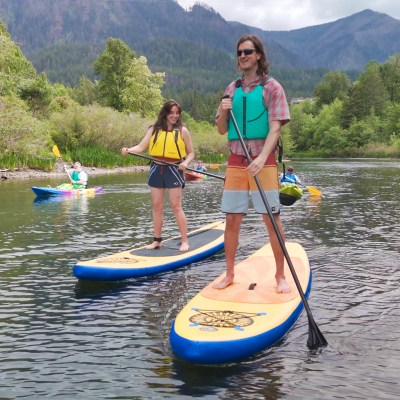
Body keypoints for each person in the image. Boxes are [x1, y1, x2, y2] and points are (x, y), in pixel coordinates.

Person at [213, 34, 291, 293]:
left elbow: (276, 128)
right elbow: (222, 129)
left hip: (264, 160)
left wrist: (260, 158)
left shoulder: (272, 88)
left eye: (247, 51)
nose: (243, 56)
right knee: (232, 219)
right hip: (236, 160)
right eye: (239, 53)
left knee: (271, 219)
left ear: (258, 55)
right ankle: (230, 274)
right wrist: (223, 111)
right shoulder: (231, 88)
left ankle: (280, 276)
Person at [121, 99, 195, 252]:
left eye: (177, 113)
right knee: (156, 206)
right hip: (156, 169)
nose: (174, 116)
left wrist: (186, 163)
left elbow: (191, 153)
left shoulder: (183, 131)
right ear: (165, 113)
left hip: (174, 169)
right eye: (171, 113)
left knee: (176, 206)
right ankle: (157, 241)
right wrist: (129, 150)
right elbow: (141, 147)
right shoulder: (154, 129)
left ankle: (185, 241)